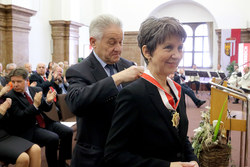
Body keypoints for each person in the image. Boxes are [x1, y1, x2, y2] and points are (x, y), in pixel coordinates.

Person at [104, 16, 199, 167]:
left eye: (180, 47)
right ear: (147, 51)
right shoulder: (133, 95)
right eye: (169, 47)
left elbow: (180, 136)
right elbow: (114, 155)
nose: (177, 55)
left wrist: (192, 160)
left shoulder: (177, 90)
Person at [65, 14, 144, 167]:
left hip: (127, 153)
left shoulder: (127, 65)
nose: (119, 48)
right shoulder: (79, 70)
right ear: (93, 42)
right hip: (95, 155)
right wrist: (117, 79)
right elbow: (76, 102)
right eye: (112, 42)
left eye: (121, 42)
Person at [5, 67, 72, 167]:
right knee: (53, 138)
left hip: (44, 122)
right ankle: (53, 165)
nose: (15, 84)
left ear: (27, 81)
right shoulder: (11, 96)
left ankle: (62, 162)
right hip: (28, 127)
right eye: (13, 81)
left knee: (68, 132)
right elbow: (20, 116)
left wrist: (48, 102)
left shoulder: (36, 90)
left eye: (19, 81)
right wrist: (35, 105)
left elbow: (45, 109)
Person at [0, 86, 41, 167]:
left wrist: (7, 109)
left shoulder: (2, 97)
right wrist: (1, 112)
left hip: (5, 134)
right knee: (23, 158)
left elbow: (8, 119)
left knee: (36, 149)